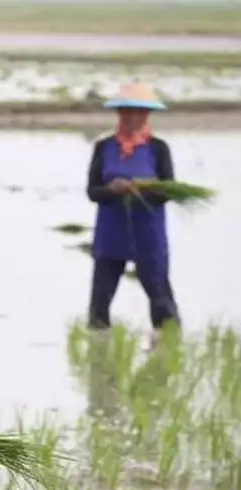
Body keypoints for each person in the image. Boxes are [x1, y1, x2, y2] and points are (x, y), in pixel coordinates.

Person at [86, 82, 179, 332]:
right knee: (99, 303)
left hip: (148, 233)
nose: (132, 117)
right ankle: (100, 352)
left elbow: (168, 192)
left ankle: (167, 346)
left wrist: (144, 189)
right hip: (111, 232)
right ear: (118, 113)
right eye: (126, 111)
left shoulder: (159, 149)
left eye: (139, 112)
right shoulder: (104, 147)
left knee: (160, 296)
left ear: (147, 115)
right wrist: (112, 190)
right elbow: (92, 192)